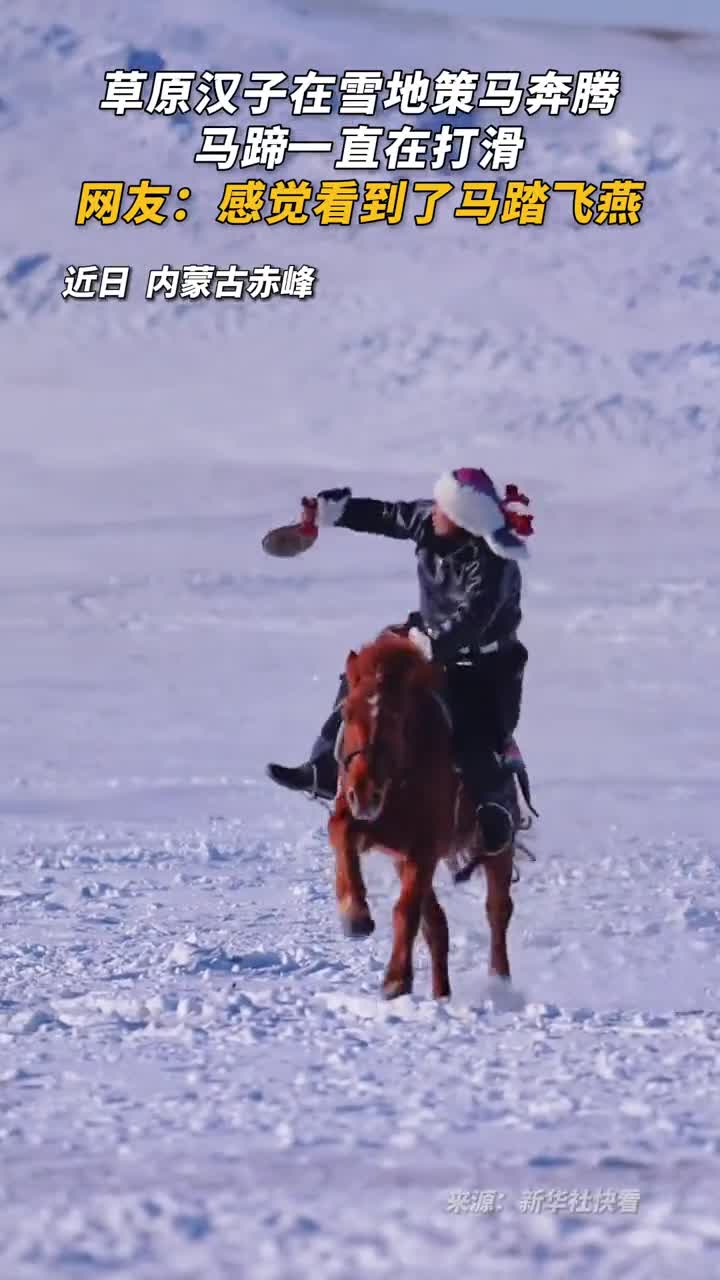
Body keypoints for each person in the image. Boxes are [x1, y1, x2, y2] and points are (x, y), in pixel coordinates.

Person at [266, 467, 534, 855]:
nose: (434, 512)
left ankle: (493, 811)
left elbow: (476, 616)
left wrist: (434, 643)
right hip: (424, 640)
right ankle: (324, 766)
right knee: (362, 681)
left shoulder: (494, 562)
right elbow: (389, 515)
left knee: (477, 737)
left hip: (484, 669)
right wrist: (335, 512)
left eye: (444, 510)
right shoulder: (430, 520)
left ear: (464, 522)